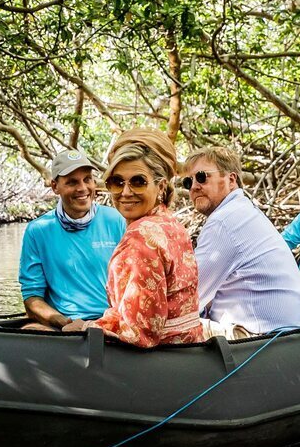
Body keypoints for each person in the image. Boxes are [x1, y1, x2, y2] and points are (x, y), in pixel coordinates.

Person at [63, 129, 202, 347]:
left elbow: (141, 334)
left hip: (161, 359)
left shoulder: (140, 237)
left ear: (161, 186)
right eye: (117, 182)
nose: (126, 192)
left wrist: (85, 327)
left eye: (138, 182)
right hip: (190, 346)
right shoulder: (171, 224)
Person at [184, 146, 300, 339]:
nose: (194, 186)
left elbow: (188, 297)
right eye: (188, 181)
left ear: (231, 179)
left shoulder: (224, 221)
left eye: (202, 177)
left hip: (266, 340)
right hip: (293, 332)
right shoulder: (242, 210)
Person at [18, 147, 125, 330]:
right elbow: (32, 298)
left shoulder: (116, 220)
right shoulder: (38, 231)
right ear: (55, 187)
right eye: (72, 182)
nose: (82, 188)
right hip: (67, 327)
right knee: (29, 330)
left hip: (113, 322)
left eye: (87, 179)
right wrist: (64, 323)